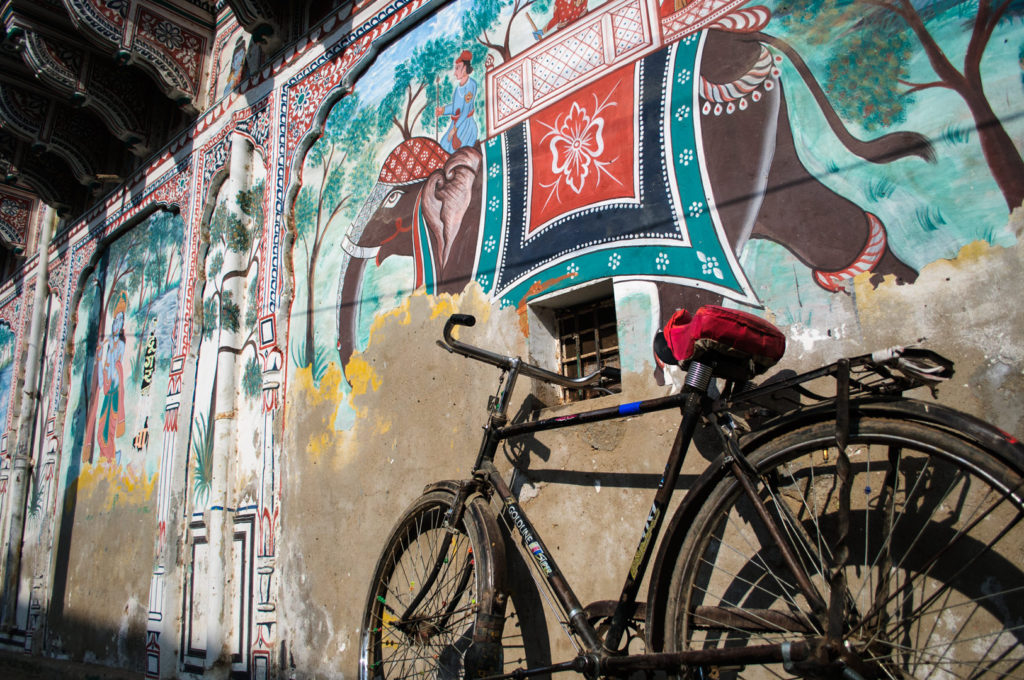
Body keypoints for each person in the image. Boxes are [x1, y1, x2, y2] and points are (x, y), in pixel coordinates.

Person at [436, 50, 478, 153]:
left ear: (464, 68)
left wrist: (454, 129)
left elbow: (465, 110)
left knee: (454, 151)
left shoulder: (471, 85)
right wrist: (442, 110)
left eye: (457, 68)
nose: (455, 73)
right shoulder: (458, 88)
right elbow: (455, 107)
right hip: (455, 125)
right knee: (443, 145)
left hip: (465, 125)